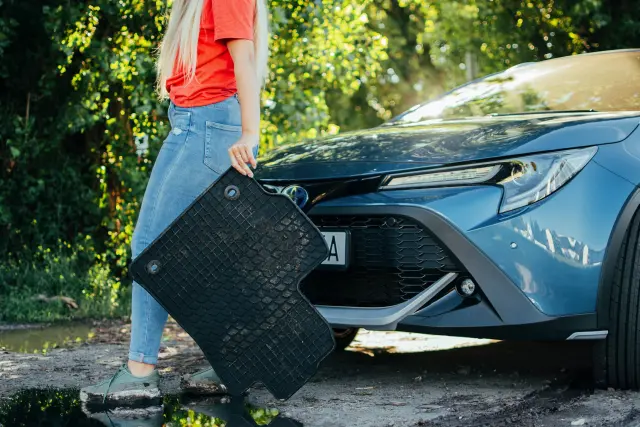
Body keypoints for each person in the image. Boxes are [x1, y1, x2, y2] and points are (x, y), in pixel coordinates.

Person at [80, 0, 269, 407]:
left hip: (206, 125)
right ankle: (231, 363)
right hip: (196, 122)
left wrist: (251, 133)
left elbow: (245, 58)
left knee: (151, 246)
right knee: (205, 255)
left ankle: (139, 373)